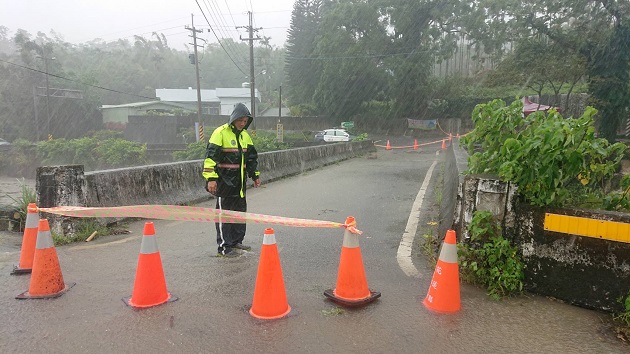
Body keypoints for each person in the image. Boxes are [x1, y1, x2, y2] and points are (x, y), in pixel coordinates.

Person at [203, 103, 261, 257]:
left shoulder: (245, 136)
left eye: (245, 121)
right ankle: (224, 247)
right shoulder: (220, 133)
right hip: (224, 183)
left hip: (239, 184)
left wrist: (255, 175)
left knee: (240, 213)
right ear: (233, 119)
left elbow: (251, 158)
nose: (242, 123)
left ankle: (236, 241)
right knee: (224, 215)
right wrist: (211, 179)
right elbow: (210, 158)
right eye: (240, 120)